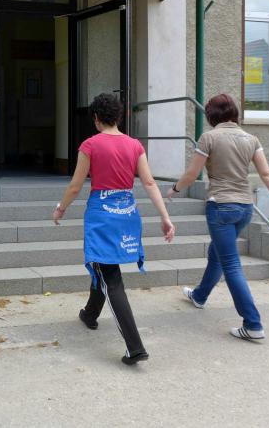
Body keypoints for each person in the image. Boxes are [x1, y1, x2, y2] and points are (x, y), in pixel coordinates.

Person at [53, 93, 175, 365]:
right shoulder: (135, 146)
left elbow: (75, 185)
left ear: (96, 118)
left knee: (110, 276)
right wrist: (165, 217)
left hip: (102, 217)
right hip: (127, 214)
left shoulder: (90, 145)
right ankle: (90, 314)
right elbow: (150, 183)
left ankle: (135, 347)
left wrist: (61, 208)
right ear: (119, 117)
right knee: (103, 265)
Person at [167, 93, 269, 341]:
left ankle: (253, 324)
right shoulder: (251, 138)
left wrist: (174, 189)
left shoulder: (209, 137)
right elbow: (267, 174)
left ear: (211, 116)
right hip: (245, 208)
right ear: (234, 113)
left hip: (221, 207)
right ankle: (199, 296)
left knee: (231, 265)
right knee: (217, 253)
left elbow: (192, 174)